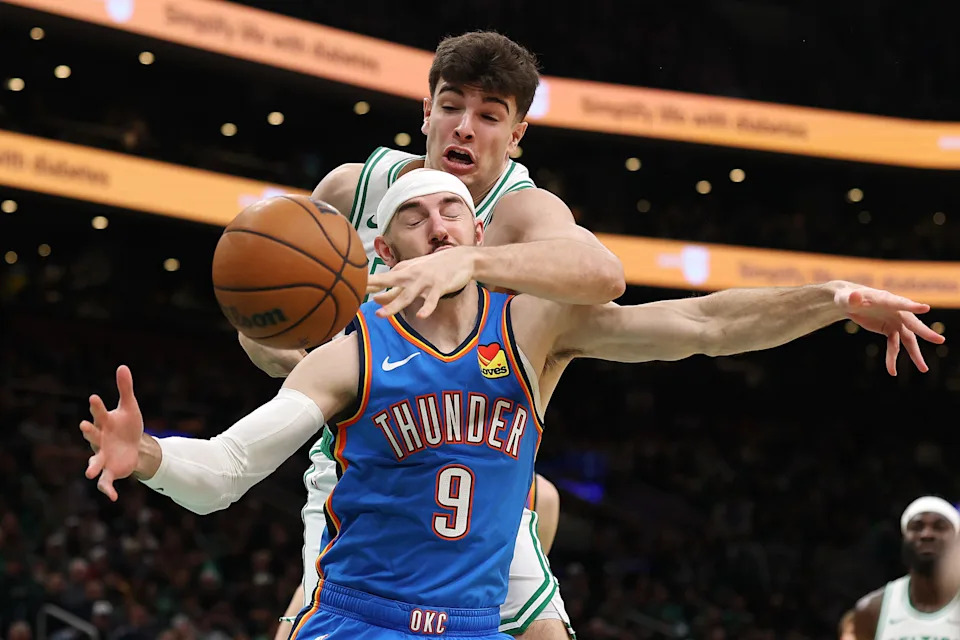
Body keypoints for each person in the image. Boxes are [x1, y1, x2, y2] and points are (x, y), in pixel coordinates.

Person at [81, 170, 943, 639]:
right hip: (356, 620)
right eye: (416, 219)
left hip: (470, 622)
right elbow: (229, 468)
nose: (442, 227)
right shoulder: (350, 356)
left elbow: (706, 323)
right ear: (382, 247)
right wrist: (147, 454)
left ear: (482, 235)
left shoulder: (535, 331)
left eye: (454, 213)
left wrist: (831, 297)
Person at [241, 29, 624, 640]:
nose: (464, 127)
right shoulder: (353, 189)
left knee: (540, 547)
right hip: (366, 468)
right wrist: (331, 380)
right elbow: (264, 327)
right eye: (451, 106)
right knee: (309, 616)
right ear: (427, 111)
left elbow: (604, 276)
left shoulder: (521, 211)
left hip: (473, 468)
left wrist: (472, 262)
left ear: (517, 134)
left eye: (489, 116)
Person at [849, 496, 960, 640]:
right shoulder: (872, 609)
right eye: (917, 527)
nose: (927, 534)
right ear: (904, 539)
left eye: (939, 527)